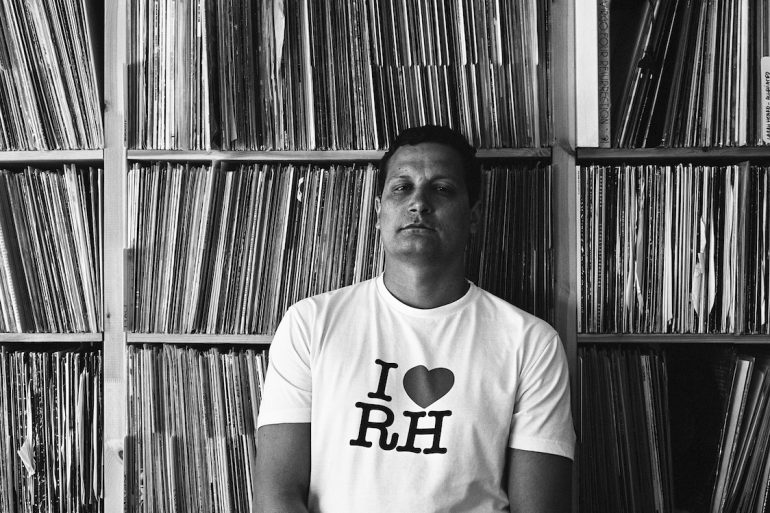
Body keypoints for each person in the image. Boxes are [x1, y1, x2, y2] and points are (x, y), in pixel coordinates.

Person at [254, 125, 576, 513]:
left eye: (442, 189)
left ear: (473, 216)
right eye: (402, 187)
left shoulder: (531, 342)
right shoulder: (310, 324)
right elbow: (277, 494)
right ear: (378, 213)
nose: (419, 203)